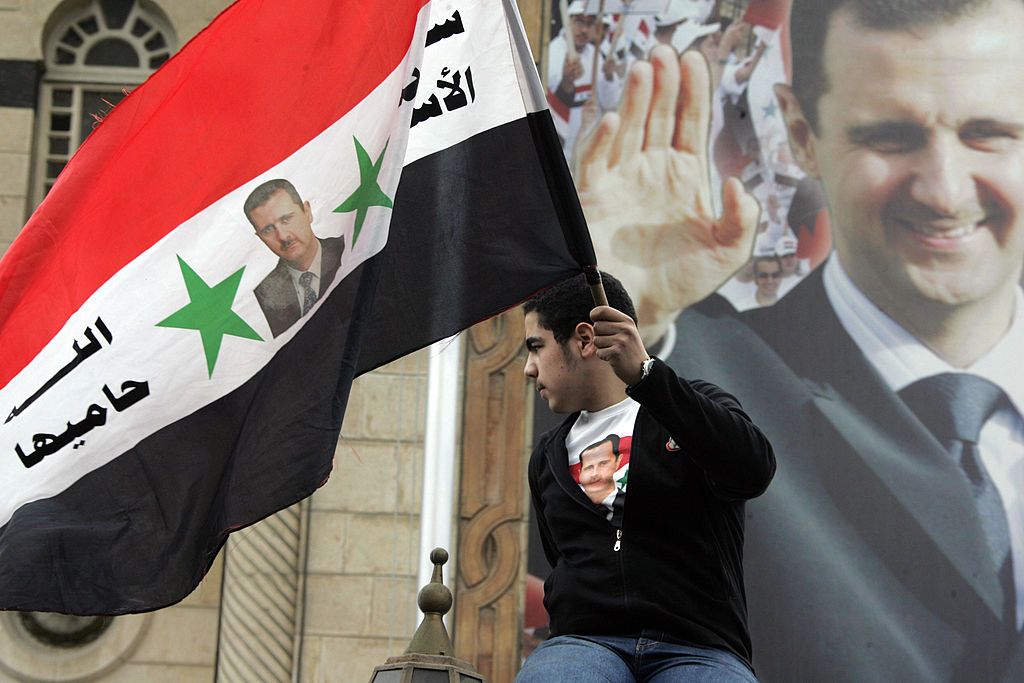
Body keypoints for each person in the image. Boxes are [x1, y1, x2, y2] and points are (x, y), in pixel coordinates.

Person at [575, 0, 1024, 679]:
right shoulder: (694, 382)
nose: (943, 190)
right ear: (799, 132)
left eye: (988, 133)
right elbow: (568, 553)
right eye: (891, 137)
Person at [517, 272, 774, 682]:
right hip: (583, 644)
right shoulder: (547, 457)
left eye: (536, 347)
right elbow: (561, 559)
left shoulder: (694, 406)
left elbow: (752, 471)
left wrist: (648, 377)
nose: (529, 369)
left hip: (700, 650)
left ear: (584, 339)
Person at [243, 179, 344, 338]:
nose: (283, 236)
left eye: (286, 219)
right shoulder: (260, 299)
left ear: (307, 212)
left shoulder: (352, 249)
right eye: (268, 229)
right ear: (260, 237)